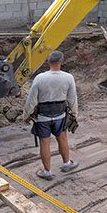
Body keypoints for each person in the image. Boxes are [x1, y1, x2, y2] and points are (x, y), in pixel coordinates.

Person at [22, 50, 79, 180]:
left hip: (43, 117)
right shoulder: (68, 77)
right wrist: (74, 114)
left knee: (44, 143)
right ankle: (67, 164)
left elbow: (31, 100)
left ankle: (47, 172)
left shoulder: (40, 78)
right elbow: (72, 98)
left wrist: (26, 115)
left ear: (48, 61)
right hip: (60, 115)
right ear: (61, 62)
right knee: (63, 138)